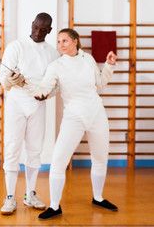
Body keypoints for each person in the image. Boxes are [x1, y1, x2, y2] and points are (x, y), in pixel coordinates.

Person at [24, 28, 118, 220]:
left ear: (75, 41)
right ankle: (54, 206)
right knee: (58, 161)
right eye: (58, 42)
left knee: (100, 158)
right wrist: (25, 84)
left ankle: (98, 198)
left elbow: (100, 84)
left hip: (96, 114)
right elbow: (43, 90)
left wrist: (109, 66)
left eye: (65, 41)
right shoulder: (56, 66)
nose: (61, 45)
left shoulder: (88, 59)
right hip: (73, 117)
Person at [0, 12, 59, 215]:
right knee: (12, 148)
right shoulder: (16, 46)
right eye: (36, 27)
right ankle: (9, 197)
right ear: (32, 24)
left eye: (43, 30)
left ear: (49, 30)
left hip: (37, 105)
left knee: (35, 150)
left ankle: (30, 194)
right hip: (16, 103)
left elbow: (56, 84)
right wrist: (10, 80)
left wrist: (47, 95)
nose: (37, 32)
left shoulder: (52, 53)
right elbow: (3, 79)